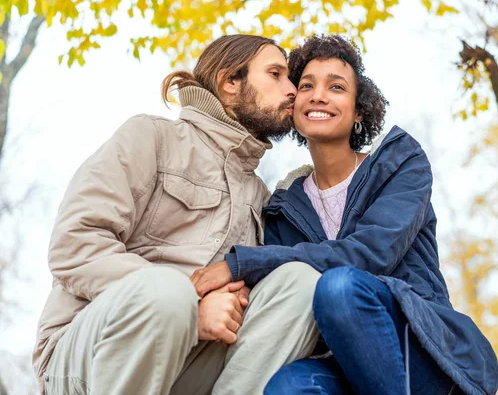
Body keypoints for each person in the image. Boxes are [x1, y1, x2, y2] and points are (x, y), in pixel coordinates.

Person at [191, 35, 498, 395]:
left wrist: (241, 262)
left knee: (338, 288)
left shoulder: (400, 166)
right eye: (306, 86)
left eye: (336, 87)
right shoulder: (280, 208)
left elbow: (368, 255)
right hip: (335, 363)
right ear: (294, 106)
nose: (318, 95)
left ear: (359, 112)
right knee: (287, 386)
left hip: (418, 350)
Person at [33, 34, 321, 395]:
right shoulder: (151, 137)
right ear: (230, 82)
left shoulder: (259, 194)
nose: (292, 89)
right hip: (88, 355)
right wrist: (191, 304)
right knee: (166, 292)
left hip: (188, 363)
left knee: (301, 283)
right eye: (276, 74)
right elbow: (74, 245)